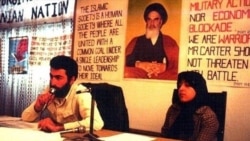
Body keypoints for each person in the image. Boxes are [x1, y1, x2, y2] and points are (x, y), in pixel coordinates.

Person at [21, 55, 104, 132]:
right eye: (51, 76)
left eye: (58, 78)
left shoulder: (81, 93)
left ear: (72, 80)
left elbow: (97, 123)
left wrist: (60, 127)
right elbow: (25, 118)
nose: (53, 82)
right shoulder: (50, 90)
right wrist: (37, 107)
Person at [125, 3, 179, 80]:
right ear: (146, 21)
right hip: (141, 75)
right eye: (149, 19)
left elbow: (177, 63)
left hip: (162, 76)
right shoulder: (136, 41)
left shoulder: (169, 41)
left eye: (155, 19)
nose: (151, 23)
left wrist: (164, 67)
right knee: (126, 73)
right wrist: (139, 64)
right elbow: (125, 60)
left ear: (161, 22)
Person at [161, 71, 219, 141]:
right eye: (179, 85)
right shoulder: (174, 109)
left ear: (198, 89)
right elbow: (164, 135)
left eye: (187, 85)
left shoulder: (208, 116)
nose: (181, 89)